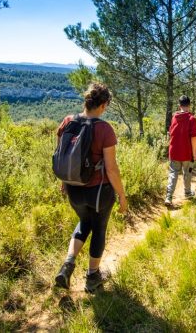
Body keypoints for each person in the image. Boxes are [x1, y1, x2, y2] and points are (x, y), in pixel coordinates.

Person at [54, 82, 127, 292]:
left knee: (84, 222)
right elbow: (111, 169)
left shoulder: (68, 121)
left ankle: (68, 265)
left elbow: (63, 157)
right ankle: (93, 276)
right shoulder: (104, 129)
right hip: (99, 192)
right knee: (99, 229)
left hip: (74, 189)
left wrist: (64, 183)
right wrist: (122, 195)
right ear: (103, 105)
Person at [165, 95, 196, 207]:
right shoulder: (191, 119)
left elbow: (171, 133)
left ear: (179, 105)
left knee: (173, 174)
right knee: (187, 172)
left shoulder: (174, 117)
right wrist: (194, 153)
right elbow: (194, 137)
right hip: (186, 152)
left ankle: (168, 197)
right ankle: (187, 193)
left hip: (174, 151)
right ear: (189, 105)